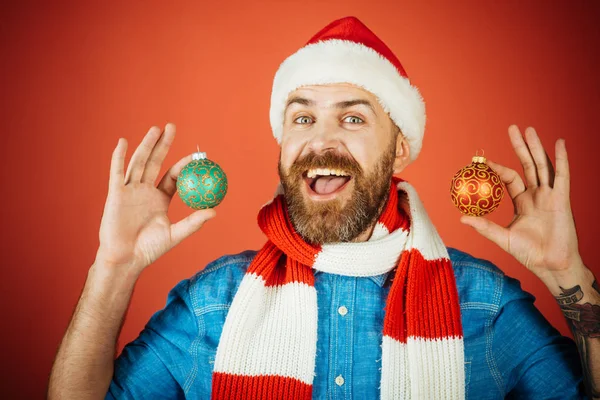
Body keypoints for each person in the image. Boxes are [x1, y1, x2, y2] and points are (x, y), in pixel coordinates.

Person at [48, 16, 599, 399]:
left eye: (354, 118)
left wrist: (568, 276)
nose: (322, 140)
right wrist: (114, 269)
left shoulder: (484, 304)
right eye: (302, 117)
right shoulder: (212, 302)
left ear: (400, 147)